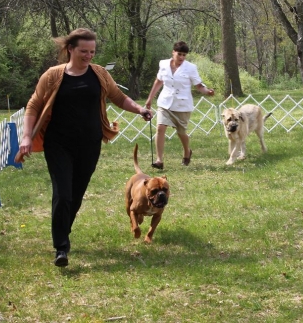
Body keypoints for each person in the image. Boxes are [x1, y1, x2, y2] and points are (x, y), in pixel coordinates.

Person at [16, 28, 153, 267]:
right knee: (63, 194)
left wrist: (139, 109)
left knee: (76, 195)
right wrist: (26, 137)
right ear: (70, 49)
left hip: (89, 144)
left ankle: (63, 231)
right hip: (58, 144)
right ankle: (61, 247)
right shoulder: (53, 75)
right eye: (83, 51)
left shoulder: (99, 74)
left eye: (92, 51)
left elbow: (119, 98)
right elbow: (34, 105)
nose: (89, 55)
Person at [144, 41, 215, 169]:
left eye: (184, 55)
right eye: (179, 54)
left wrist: (207, 91)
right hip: (165, 103)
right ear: (173, 52)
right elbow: (158, 81)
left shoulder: (190, 68)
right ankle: (159, 160)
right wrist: (150, 98)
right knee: (160, 128)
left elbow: (198, 85)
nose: (181, 57)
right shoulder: (164, 64)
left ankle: (187, 151)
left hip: (182, 105)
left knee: (181, 133)